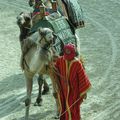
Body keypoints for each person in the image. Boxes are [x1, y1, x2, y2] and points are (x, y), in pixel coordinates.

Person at [54, 43, 91, 120]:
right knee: (63, 106)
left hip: (74, 91)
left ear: (73, 53)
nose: (67, 55)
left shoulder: (77, 63)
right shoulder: (60, 60)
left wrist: (84, 92)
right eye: (66, 52)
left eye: (69, 52)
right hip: (63, 90)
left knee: (73, 108)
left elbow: (82, 78)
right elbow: (55, 70)